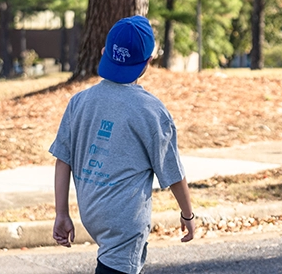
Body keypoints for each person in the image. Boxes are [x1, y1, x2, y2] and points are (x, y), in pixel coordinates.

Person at [51, 15, 195, 274]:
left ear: (105, 52)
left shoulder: (79, 102)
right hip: (125, 221)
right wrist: (187, 215)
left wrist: (61, 214)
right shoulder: (151, 111)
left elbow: (63, 159)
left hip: (91, 212)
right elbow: (172, 172)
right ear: (147, 62)